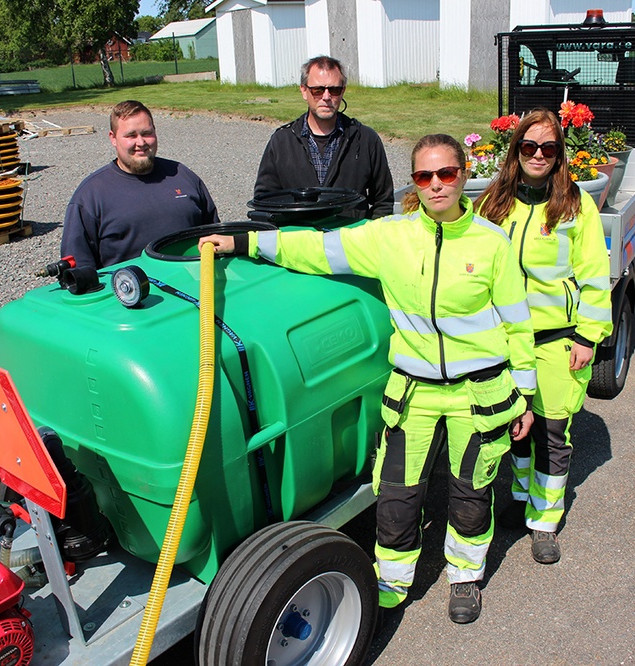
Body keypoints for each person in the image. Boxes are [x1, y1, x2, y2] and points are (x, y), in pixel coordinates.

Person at [202, 134, 536, 624]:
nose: (436, 184)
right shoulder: (389, 237)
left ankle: (465, 579)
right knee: (397, 498)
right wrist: (244, 242)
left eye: (446, 173)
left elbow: (517, 322)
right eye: (425, 176)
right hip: (415, 393)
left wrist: (524, 394)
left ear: (464, 175)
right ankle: (390, 584)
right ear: (415, 183)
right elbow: (316, 249)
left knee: (470, 495)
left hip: (477, 394)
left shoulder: (492, 243)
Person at [475, 108, 613, 565]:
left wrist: (588, 337)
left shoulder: (576, 206)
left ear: (559, 155)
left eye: (548, 148)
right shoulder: (494, 202)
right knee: (516, 428)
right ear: (515, 150)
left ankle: (545, 520)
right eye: (529, 146)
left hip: (557, 340)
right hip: (505, 342)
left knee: (553, 432)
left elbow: (595, 277)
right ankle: (520, 498)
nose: (538, 155)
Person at [60, 100, 220, 270]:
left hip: (192, 287)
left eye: (146, 133)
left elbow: (216, 239)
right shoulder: (91, 195)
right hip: (132, 294)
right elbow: (79, 269)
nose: (141, 142)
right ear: (113, 138)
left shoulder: (183, 176)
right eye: (131, 136)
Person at [253, 56, 394, 218]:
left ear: (343, 91)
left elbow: (383, 201)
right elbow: (264, 201)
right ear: (304, 91)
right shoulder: (282, 142)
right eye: (318, 90)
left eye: (334, 90)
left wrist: (368, 238)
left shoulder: (366, 139)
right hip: (299, 240)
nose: (326, 97)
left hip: (350, 240)